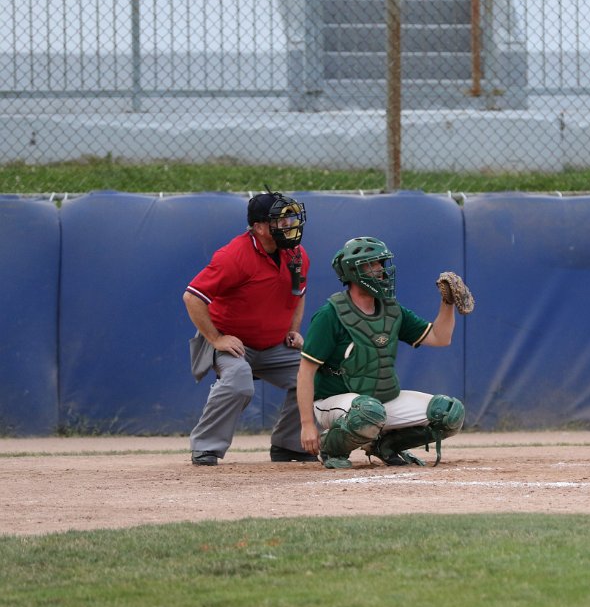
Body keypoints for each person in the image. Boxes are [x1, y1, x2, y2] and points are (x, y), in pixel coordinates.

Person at [296, 236, 470, 469]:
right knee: (368, 410)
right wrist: (307, 424)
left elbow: (440, 337)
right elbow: (305, 373)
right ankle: (331, 448)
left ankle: (386, 445)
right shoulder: (330, 314)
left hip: (377, 402)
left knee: (448, 413)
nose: (380, 270)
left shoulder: (391, 309)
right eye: (372, 264)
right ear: (352, 271)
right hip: (332, 402)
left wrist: (447, 303)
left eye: (381, 263)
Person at [184, 189, 312, 465]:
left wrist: (294, 329)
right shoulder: (233, 256)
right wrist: (215, 339)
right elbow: (192, 297)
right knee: (239, 382)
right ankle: (205, 447)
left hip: (274, 344)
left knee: (315, 375)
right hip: (232, 342)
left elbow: (298, 293)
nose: (290, 225)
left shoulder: (296, 254)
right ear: (259, 227)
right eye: (281, 220)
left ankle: (289, 445)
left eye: (291, 219)